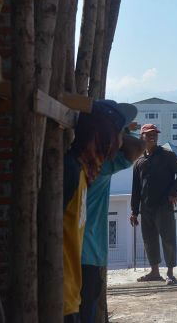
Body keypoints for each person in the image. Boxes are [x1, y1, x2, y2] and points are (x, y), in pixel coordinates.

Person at [64, 100, 136, 322]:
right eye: (117, 136)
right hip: (64, 289)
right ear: (104, 139)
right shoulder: (72, 172)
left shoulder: (85, 172)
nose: (121, 142)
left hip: (70, 289)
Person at [79, 103, 145, 322]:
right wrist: (122, 132)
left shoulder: (77, 162)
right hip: (87, 256)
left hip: (74, 253)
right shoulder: (99, 166)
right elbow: (138, 146)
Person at [131, 124, 177, 284]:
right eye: (148, 134)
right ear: (141, 137)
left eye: (154, 134)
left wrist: (173, 192)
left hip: (163, 206)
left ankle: (170, 273)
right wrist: (134, 211)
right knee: (149, 240)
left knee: (168, 239)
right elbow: (135, 188)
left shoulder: (167, 155)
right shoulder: (139, 161)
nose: (152, 137)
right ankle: (154, 272)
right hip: (146, 207)